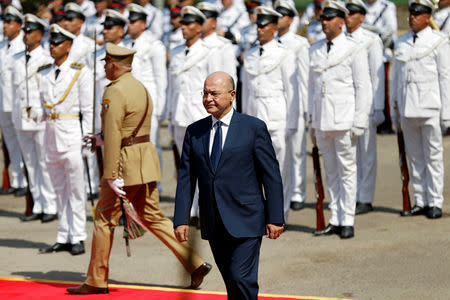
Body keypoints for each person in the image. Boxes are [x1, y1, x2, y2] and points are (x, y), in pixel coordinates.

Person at [67, 43, 211, 295]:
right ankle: (195, 262)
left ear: (113, 64)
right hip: (144, 158)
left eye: (105, 63)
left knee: (103, 218)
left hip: (123, 164)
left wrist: (111, 173)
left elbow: (115, 133)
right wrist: (101, 137)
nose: (104, 67)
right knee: (153, 216)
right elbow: (130, 126)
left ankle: (96, 280)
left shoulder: (114, 91)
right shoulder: (140, 87)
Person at [174, 71, 284, 300]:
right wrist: (181, 219)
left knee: (241, 278)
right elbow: (186, 178)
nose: (208, 98)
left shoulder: (253, 128)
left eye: (214, 93)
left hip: (247, 218)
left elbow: (271, 174)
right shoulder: (195, 131)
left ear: (232, 95)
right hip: (214, 221)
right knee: (232, 282)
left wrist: (275, 217)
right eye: (204, 93)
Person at [309, 0, 371, 239]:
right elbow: (311, 90)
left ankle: (347, 220)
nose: (324, 22)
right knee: (331, 170)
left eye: (329, 18)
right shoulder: (314, 49)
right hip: (323, 118)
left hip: (345, 119)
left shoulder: (353, 48)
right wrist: (312, 120)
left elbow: (363, 86)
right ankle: (334, 218)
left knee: (346, 169)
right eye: (323, 18)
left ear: (341, 21)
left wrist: (359, 120)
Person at [390, 0, 450, 219]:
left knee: (433, 156)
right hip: (407, 108)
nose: (412, 16)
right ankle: (421, 199)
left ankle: (435, 201)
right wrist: (394, 107)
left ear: (428, 16)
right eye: (411, 12)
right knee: (414, 157)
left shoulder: (439, 41)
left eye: (418, 13)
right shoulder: (402, 42)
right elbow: (396, 78)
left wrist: (447, 113)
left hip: (430, 107)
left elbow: (445, 78)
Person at [36, 24, 93, 255]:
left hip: (72, 134)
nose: (52, 46)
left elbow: (88, 110)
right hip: (51, 134)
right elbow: (44, 106)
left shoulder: (81, 72)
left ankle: (78, 236)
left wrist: (87, 142)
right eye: (50, 42)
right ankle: (63, 234)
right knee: (59, 188)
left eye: (57, 42)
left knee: (76, 189)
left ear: (68, 46)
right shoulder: (43, 72)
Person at [241, 6, 299, 221]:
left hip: (277, 119)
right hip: (255, 120)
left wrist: (292, 123)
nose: (259, 29)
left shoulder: (284, 54)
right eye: (258, 24)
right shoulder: (251, 54)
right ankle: (259, 212)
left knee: (279, 170)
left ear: (274, 28)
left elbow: (292, 92)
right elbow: (246, 91)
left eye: (264, 25)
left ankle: (279, 214)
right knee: (254, 170)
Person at [11, 14, 57, 222]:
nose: (26, 35)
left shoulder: (47, 59)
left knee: (44, 163)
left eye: (30, 31)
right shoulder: (16, 58)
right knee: (29, 164)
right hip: (21, 117)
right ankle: (38, 204)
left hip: (39, 119)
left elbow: (47, 92)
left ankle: (50, 205)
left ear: (40, 35)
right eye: (25, 31)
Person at [344, 0, 385, 214]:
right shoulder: (341, 39)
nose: (347, 17)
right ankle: (352, 195)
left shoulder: (371, 40)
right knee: (349, 154)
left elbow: (376, 77)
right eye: (345, 13)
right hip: (346, 103)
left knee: (366, 153)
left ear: (362, 16)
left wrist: (378, 107)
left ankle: (365, 198)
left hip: (366, 103)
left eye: (352, 13)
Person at [123, 3, 167, 190]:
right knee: (132, 147)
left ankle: (153, 183)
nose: (129, 25)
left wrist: (159, 109)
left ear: (143, 24)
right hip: (128, 104)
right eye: (129, 21)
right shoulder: (124, 44)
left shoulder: (154, 46)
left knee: (151, 145)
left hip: (148, 104)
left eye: (133, 21)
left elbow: (160, 79)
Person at [275, 0, 310, 212]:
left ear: (290, 18)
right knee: (281, 153)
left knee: (296, 149)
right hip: (279, 103)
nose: (277, 19)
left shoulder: (299, 44)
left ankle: (298, 191)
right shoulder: (269, 43)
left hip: (296, 100)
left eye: (281, 15)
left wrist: (305, 108)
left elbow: (304, 78)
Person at [0, 5, 28, 197]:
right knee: (10, 142)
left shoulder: (23, 46)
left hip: (17, 102)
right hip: (3, 101)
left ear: (19, 26)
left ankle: (25, 181)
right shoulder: (2, 45)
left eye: (10, 23)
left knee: (22, 142)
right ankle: (16, 180)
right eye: (5, 22)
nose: (5, 26)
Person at [363, 0, 397, 134]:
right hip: (363, 54)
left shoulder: (386, 6)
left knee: (381, 89)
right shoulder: (359, 4)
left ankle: (385, 123)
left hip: (382, 53)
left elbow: (390, 29)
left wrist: (373, 40)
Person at [197, 1, 238, 83]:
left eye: (205, 19)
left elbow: (230, 78)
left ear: (214, 23)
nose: (201, 22)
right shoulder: (193, 44)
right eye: (199, 19)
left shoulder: (223, 46)